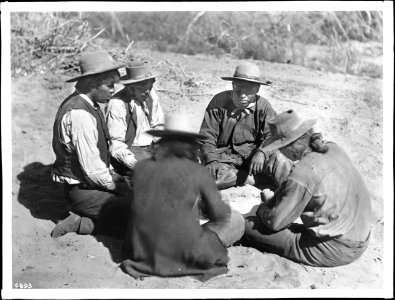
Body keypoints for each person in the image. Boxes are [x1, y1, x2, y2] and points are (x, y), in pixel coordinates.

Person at [121, 114, 245, 281]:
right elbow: (219, 214)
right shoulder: (196, 171)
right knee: (237, 219)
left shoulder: (141, 167)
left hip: (141, 253)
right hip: (179, 253)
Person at [242, 109, 371, 267]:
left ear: (292, 146)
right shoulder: (333, 147)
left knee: (248, 225)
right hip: (360, 237)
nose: (281, 151)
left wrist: (263, 208)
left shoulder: (302, 172)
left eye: (281, 147)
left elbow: (275, 223)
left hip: (334, 249)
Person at [51, 51, 132, 238]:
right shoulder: (80, 115)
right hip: (84, 193)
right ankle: (82, 223)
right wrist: (119, 186)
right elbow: (93, 171)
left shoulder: (88, 105)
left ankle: (88, 218)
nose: (113, 90)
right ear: (93, 83)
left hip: (90, 186)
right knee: (142, 219)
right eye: (109, 85)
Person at [199, 61, 278, 190]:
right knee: (210, 176)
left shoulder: (264, 107)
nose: (242, 95)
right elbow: (206, 136)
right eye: (239, 89)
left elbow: (274, 136)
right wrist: (212, 161)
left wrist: (262, 152)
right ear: (232, 85)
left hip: (252, 161)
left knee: (278, 161)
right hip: (223, 160)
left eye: (248, 91)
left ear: (258, 89)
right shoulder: (218, 102)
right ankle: (250, 180)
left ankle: (285, 187)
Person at [106, 60, 165, 175]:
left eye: (150, 86)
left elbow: (159, 125)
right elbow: (117, 145)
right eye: (142, 88)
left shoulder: (150, 94)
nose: (147, 91)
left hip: (151, 148)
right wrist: (136, 164)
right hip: (130, 152)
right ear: (130, 87)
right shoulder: (118, 103)